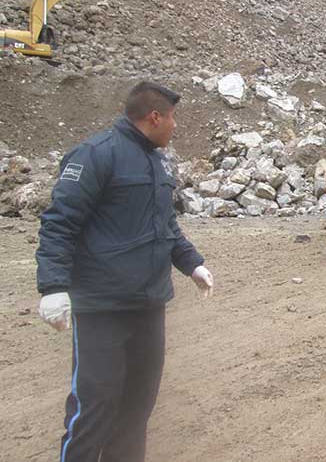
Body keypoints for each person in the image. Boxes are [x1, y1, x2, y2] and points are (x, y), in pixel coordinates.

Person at [36, 81, 214, 462]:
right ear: (154, 117)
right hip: (102, 309)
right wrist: (52, 286)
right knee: (94, 407)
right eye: (172, 117)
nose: (176, 125)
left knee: (137, 407)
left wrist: (191, 263)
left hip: (148, 306)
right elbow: (59, 223)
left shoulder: (157, 162)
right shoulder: (95, 155)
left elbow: (166, 226)